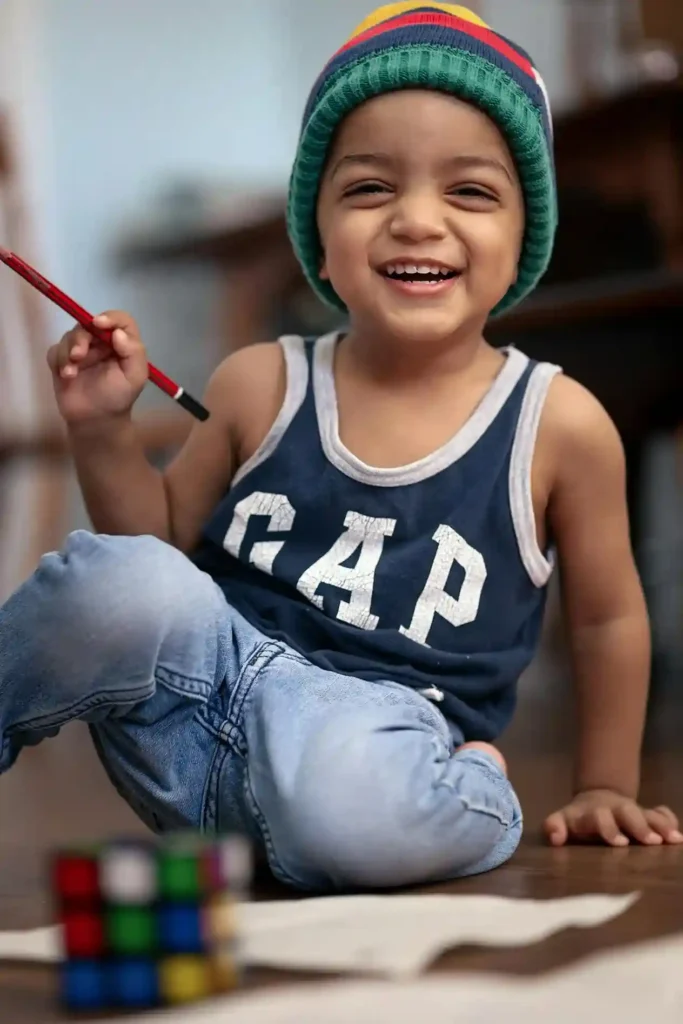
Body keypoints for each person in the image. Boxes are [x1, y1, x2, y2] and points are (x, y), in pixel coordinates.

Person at [0, 3, 680, 893]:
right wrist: (102, 428)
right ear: (317, 229)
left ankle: (470, 789)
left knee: (346, 788)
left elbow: (606, 619)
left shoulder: (559, 424)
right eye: (368, 189)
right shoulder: (260, 382)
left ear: (524, 239)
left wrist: (603, 785)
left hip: (369, 745)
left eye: (468, 191)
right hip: (192, 715)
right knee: (107, 580)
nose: (415, 221)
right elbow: (154, 556)